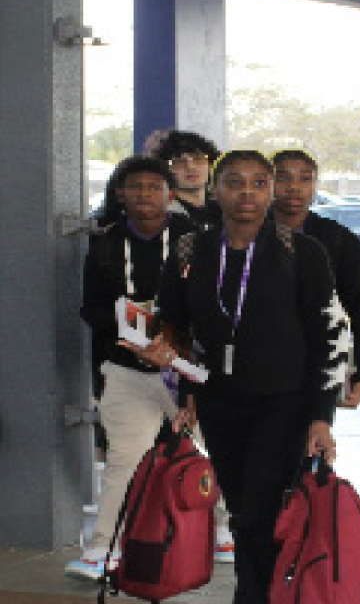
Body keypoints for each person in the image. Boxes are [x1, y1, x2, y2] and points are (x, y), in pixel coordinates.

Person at [128, 150, 348, 604]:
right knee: (244, 506)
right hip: (219, 402)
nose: (246, 192)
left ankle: (256, 595)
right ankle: (263, 591)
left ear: (269, 192)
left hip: (284, 402)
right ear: (216, 190)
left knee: (262, 510)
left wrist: (321, 417)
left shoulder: (302, 252)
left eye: (257, 183)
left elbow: (328, 337)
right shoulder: (192, 250)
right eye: (234, 182)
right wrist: (170, 365)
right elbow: (177, 325)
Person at [65, 157, 204, 580]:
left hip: (188, 371)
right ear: (120, 194)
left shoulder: (196, 240)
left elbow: (208, 306)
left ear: (171, 195)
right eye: (135, 187)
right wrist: (136, 338)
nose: (144, 194)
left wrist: (171, 342)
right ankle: (101, 551)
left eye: (153, 187)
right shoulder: (104, 243)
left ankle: (222, 534)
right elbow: (91, 306)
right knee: (124, 461)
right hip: (126, 368)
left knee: (205, 456)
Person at [270, 149, 360, 408]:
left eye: (305, 179)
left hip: (318, 366)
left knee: (309, 442)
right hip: (256, 368)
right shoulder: (245, 235)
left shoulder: (337, 239)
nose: (294, 188)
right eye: (283, 178)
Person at [146, 129, 223, 231]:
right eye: (178, 161)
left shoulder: (226, 210)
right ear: (164, 170)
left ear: (211, 164)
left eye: (198, 158)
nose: (190, 167)